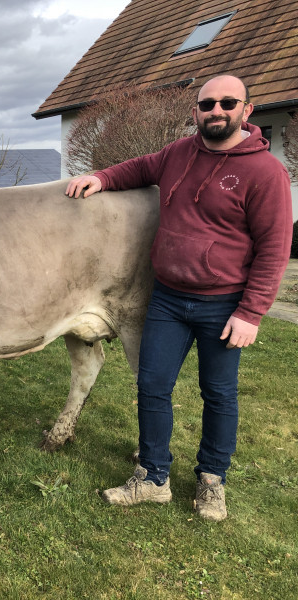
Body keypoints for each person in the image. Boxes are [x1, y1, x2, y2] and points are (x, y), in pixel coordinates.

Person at [65, 75, 292, 521]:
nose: (216, 111)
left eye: (228, 103)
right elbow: (139, 168)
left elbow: (274, 248)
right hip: (168, 299)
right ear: (196, 112)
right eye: (207, 104)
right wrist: (99, 176)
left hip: (224, 304)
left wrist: (251, 313)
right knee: (152, 387)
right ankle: (153, 478)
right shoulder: (179, 153)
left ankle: (211, 480)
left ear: (247, 110)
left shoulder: (266, 172)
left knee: (219, 393)